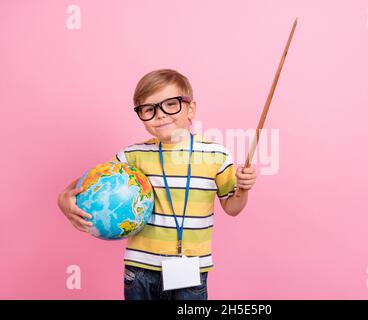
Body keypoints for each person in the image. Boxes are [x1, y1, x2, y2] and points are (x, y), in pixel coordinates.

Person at [57, 69, 257, 300]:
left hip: (191, 271)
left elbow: (233, 208)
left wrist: (243, 188)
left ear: (191, 109)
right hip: (140, 269)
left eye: (170, 104)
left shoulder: (216, 155)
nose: (160, 115)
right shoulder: (133, 155)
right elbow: (86, 184)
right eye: (149, 109)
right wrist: (63, 199)